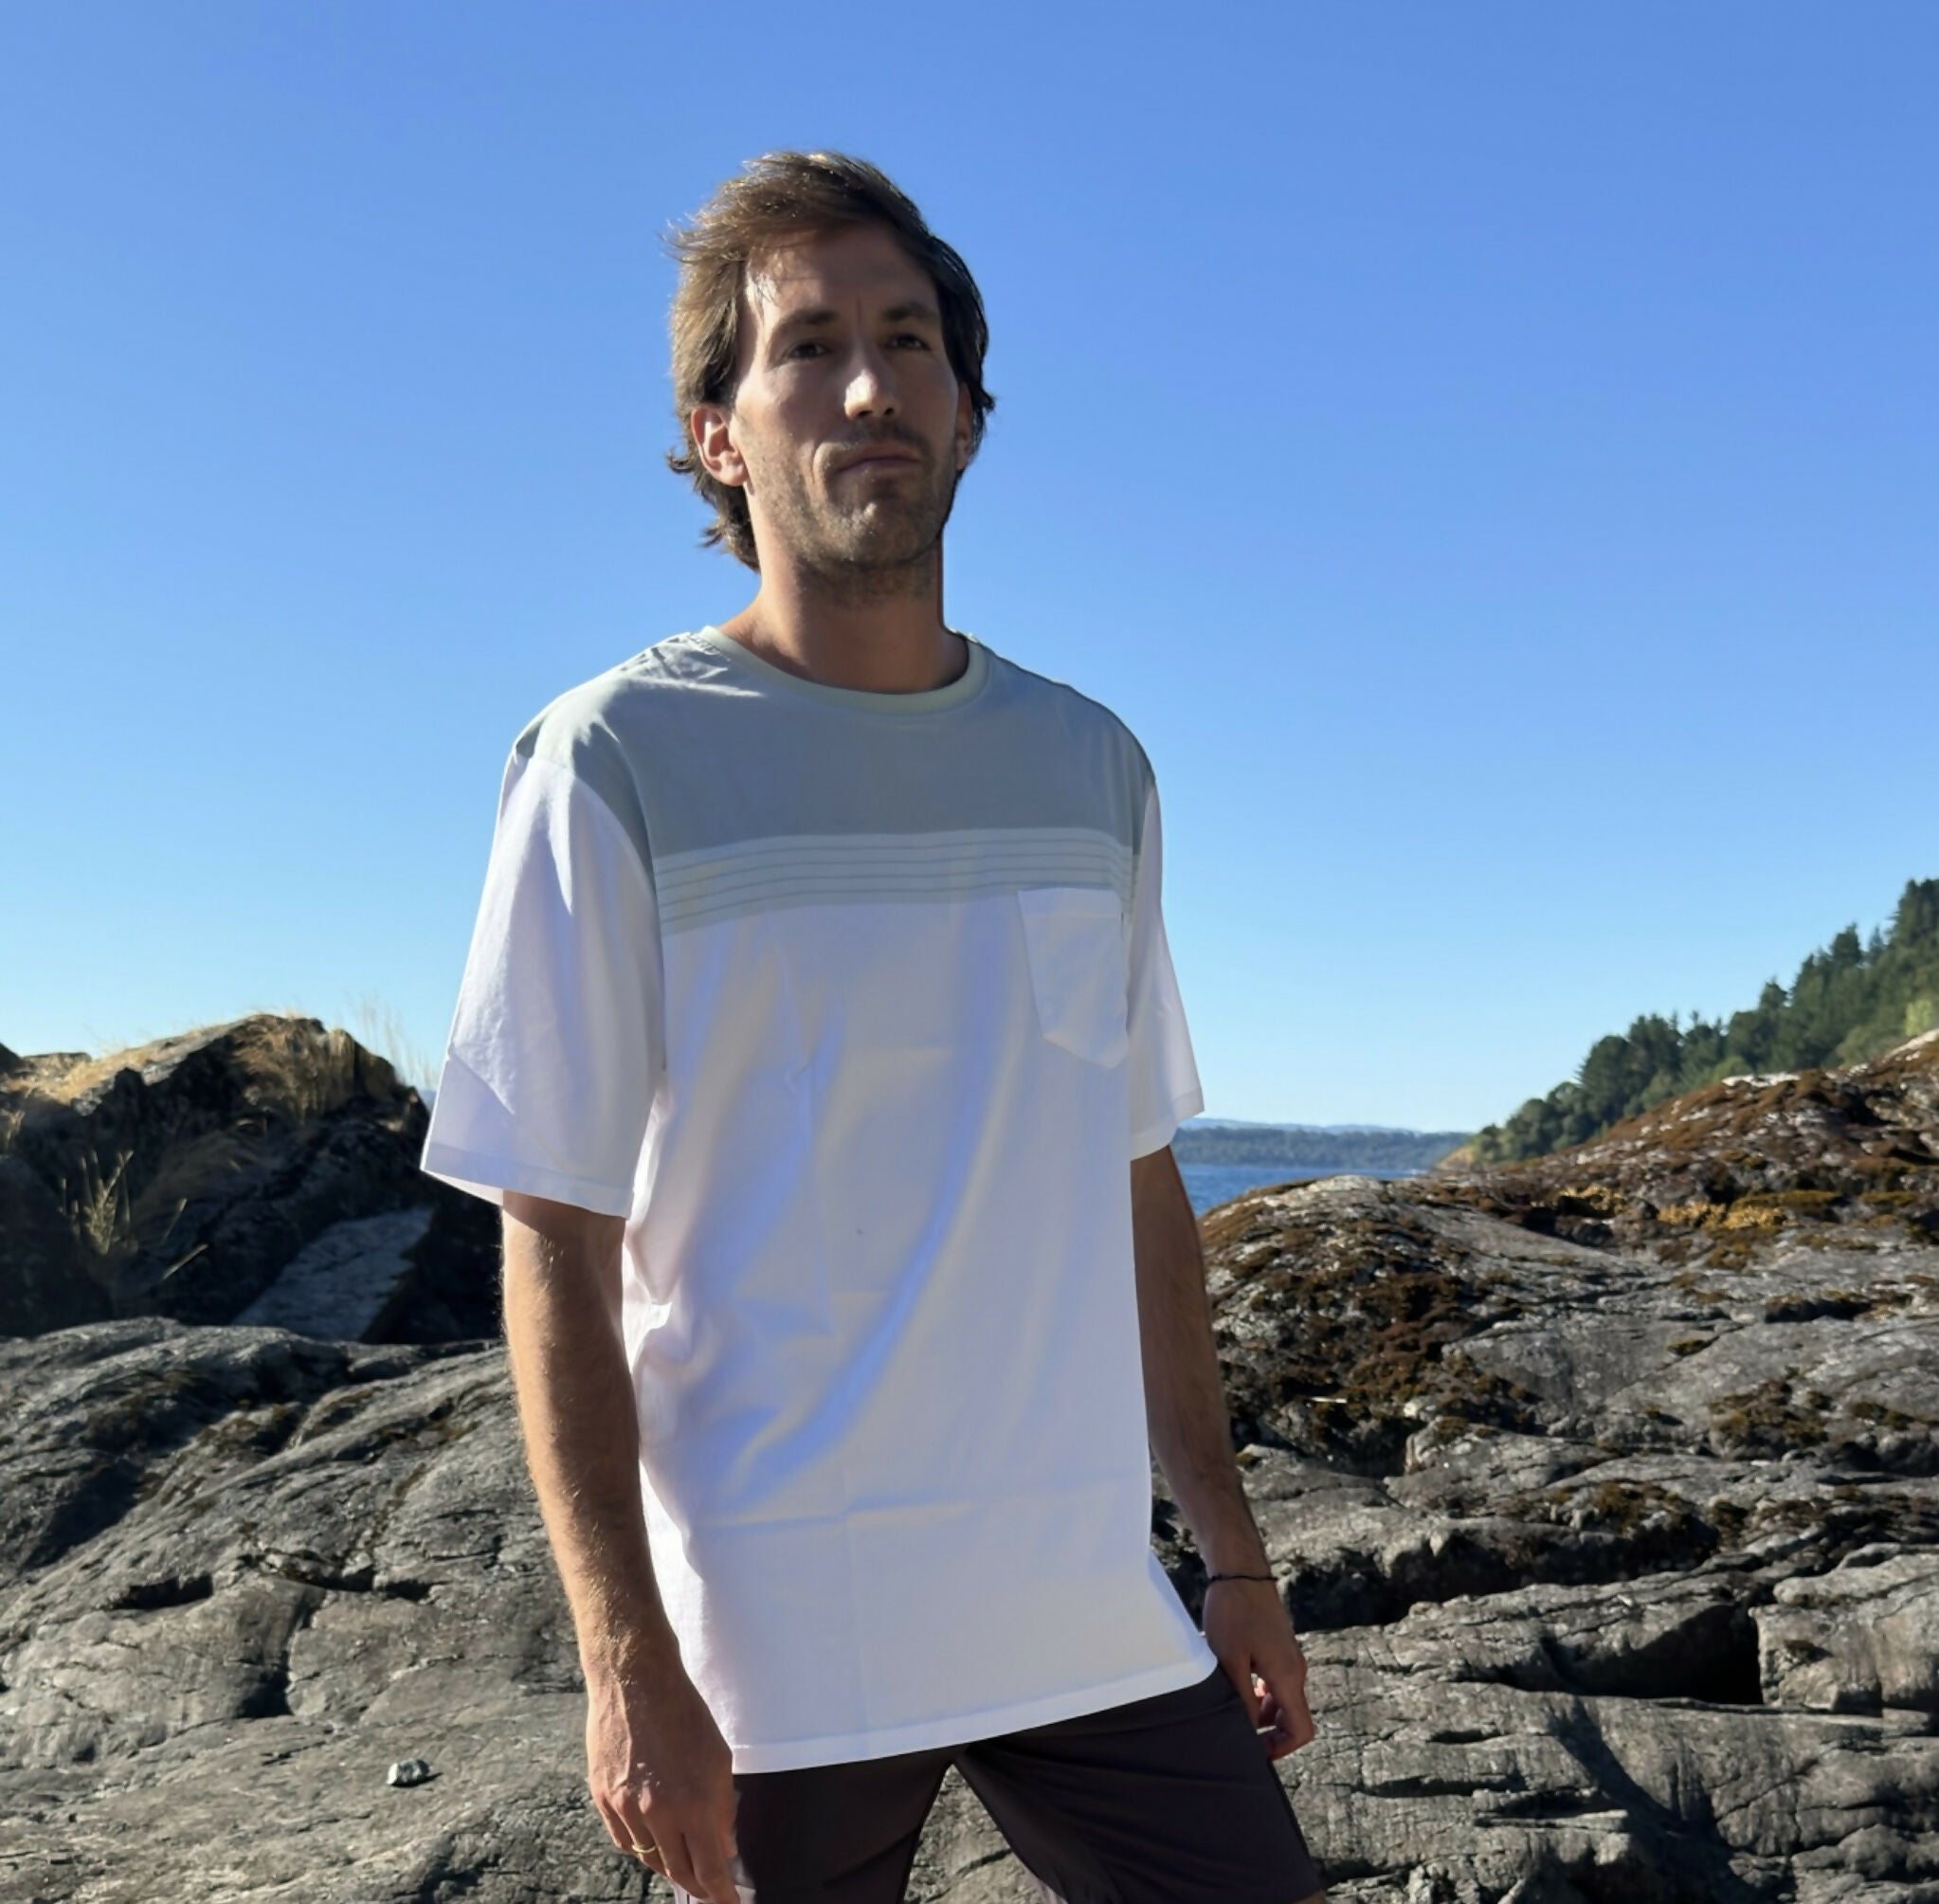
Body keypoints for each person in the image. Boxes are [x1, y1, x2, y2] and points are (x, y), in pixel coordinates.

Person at [420, 150, 1326, 1904]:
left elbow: (1136, 1178)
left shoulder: (1090, 768)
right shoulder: (610, 762)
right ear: (717, 433)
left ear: (968, 414)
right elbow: (553, 1232)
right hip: (776, 1646)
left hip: (1082, 1614)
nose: (868, 387)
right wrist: (624, 1659)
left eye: (909, 341)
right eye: (810, 345)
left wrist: (1228, 1550)